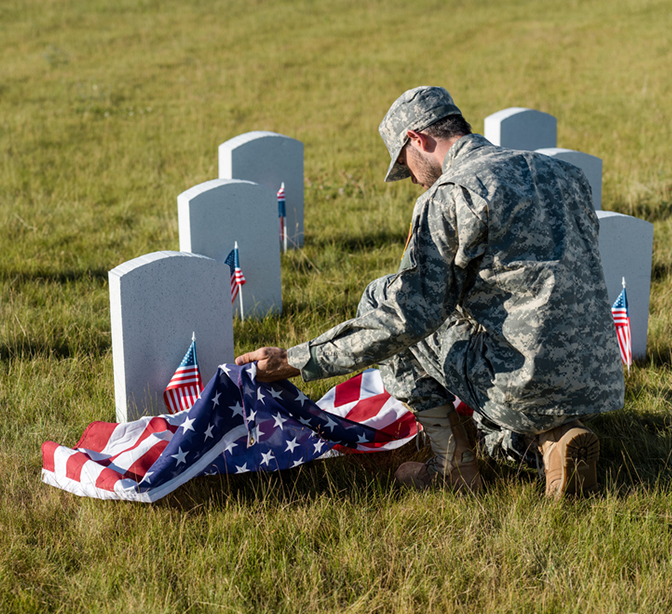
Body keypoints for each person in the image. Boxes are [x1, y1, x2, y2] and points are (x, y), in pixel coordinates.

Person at [236, 86, 625, 497]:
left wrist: (296, 359)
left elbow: (404, 316)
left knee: (381, 297)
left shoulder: (452, 193)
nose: (414, 181)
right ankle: (552, 439)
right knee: (493, 403)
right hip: (596, 375)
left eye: (406, 166)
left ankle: (452, 464)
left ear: (417, 139)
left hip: (521, 376)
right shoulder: (565, 174)